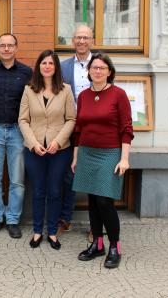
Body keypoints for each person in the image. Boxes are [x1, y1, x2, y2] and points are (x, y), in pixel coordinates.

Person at [72, 52, 133, 269]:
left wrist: (124, 158)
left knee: (104, 201)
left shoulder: (119, 94)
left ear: (109, 72)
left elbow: (127, 129)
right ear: (88, 72)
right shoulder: (84, 96)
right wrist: (76, 157)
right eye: (94, 68)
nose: (97, 71)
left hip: (110, 153)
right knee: (91, 202)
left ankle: (114, 246)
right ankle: (97, 244)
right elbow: (79, 130)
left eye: (102, 68)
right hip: (87, 153)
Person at [18, 50, 76, 250]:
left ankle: (52, 232)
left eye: (51, 63)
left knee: (54, 191)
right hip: (35, 150)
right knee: (38, 191)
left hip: (59, 151)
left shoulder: (66, 90)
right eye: (44, 63)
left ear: (56, 67)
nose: (47, 66)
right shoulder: (29, 89)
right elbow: (23, 120)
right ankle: (36, 232)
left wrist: (58, 142)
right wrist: (33, 143)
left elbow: (71, 119)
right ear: (38, 66)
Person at [0, 33, 32, 239]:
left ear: (16, 48)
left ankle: (12, 219)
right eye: (2, 45)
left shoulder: (27, 73)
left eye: (10, 45)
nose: (6, 49)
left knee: (17, 179)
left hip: (17, 131)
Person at [58, 25, 94, 237]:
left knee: (92, 176)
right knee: (67, 176)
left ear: (92, 40)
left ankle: (95, 225)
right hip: (69, 127)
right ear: (73, 41)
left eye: (85, 38)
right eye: (78, 38)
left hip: (92, 128)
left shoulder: (100, 65)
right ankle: (65, 219)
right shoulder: (63, 67)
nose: (81, 41)